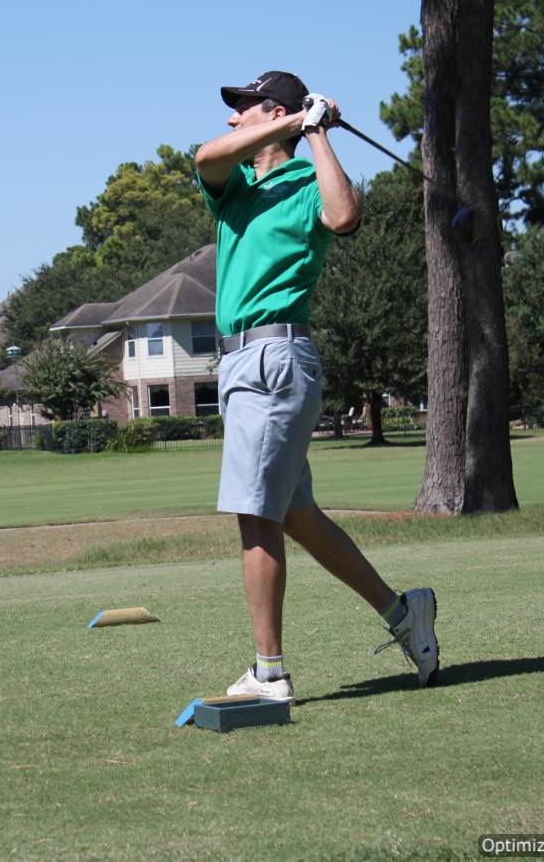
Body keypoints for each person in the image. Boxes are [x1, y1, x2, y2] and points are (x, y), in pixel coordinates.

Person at [193, 70, 439, 702]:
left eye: (242, 110)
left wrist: (318, 134)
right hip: (239, 366)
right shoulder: (236, 186)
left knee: (256, 514)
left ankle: (269, 672)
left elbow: (344, 214)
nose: (231, 120)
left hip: (275, 357)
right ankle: (401, 612)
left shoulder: (305, 183)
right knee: (295, 514)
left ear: (273, 111)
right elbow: (206, 157)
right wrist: (296, 121)